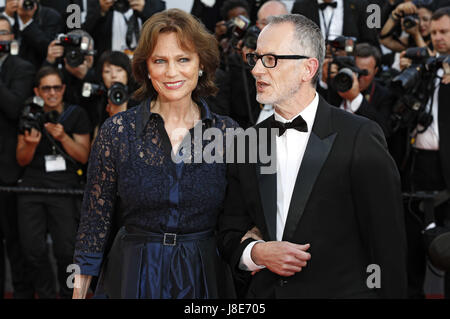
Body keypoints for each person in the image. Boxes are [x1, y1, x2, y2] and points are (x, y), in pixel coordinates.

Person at [217, 13, 408, 298]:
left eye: (271, 59)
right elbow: (229, 230)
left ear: (308, 69)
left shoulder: (359, 137)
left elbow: (387, 245)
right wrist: (257, 252)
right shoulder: (249, 141)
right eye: (255, 59)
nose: (257, 70)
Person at [72, 8, 239, 299]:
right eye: (160, 61)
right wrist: (79, 293)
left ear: (201, 64)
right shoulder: (118, 132)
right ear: (147, 68)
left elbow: (241, 218)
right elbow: (94, 224)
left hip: (203, 276)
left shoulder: (229, 135)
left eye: (183, 59)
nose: (171, 72)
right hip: (133, 275)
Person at [16, 66, 91, 298]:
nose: (51, 93)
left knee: (66, 250)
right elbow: (21, 159)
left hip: (65, 188)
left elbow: (83, 156)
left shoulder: (76, 114)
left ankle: (68, 293)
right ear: (38, 90)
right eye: (46, 88)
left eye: (56, 87)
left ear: (63, 89)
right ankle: (47, 293)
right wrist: (30, 144)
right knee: (32, 250)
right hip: (32, 186)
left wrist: (62, 137)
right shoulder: (29, 114)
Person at [399, 6, 450, 299]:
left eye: (444, 32)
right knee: (413, 249)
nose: (438, 38)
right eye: (434, 33)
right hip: (417, 168)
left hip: (446, 171)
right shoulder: (425, 69)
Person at [0, 14, 34, 299]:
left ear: (12, 38)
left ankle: (22, 292)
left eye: (4, 33)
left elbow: (13, 108)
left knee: (15, 240)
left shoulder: (22, 68)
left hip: (8, 169)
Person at [291, 0, 379, 47]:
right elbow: (294, 42)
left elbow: (371, 44)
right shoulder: (300, 7)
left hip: (349, 67)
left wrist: (350, 51)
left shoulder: (361, 5)